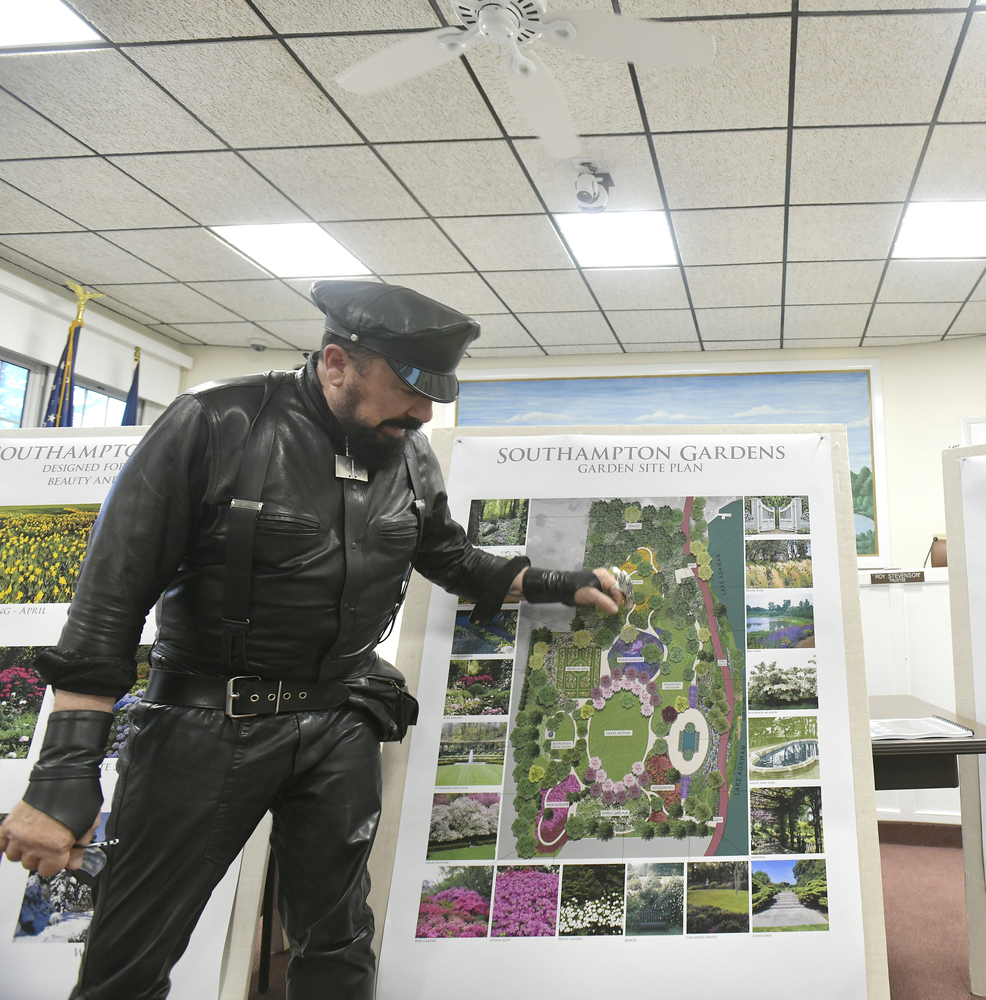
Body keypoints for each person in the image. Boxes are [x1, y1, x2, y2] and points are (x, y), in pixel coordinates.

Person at [0, 280, 620, 999]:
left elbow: (450, 559)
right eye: (410, 388)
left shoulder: (409, 453)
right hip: (204, 728)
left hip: (338, 723)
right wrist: (61, 776)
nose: (425, 411)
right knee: (129, 959)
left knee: (339, 947)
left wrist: (557, 583)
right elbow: (109, 602)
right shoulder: (212, 424)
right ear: (336, 363)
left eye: (438, 394)